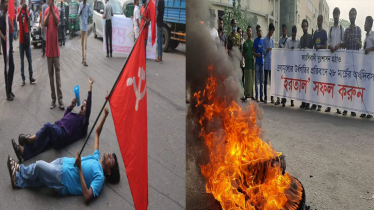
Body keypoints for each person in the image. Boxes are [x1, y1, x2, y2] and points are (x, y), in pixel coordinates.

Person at [7, 107, 120, 204]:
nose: (109, 155)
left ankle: (20, 171)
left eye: (111, 160)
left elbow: (87, 196)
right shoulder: (96, 158)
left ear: (109, 171)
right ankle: (18, 181)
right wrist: (105, 115)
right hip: (62, 164)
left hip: (63, 179)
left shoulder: (100, 177)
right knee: (41, 178)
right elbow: (97, 133)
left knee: (39, 166)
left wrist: (80, 168)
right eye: (111, 155)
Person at [11, 77, 94, 163]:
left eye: (85, 105)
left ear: (87, 110)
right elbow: (64, 118)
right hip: (57, 129)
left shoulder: (83, 124)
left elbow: (88, 109)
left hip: (62, 136)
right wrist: (71, 106)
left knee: (47, 126)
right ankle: (23, 152)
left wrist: (90, 86)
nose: (83, 105)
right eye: (83, 104)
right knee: (43, 141)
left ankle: (30, 140)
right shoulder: (75, 115)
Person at [45, 0, 64, 110]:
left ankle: (60, 99)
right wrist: (48, 12)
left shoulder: (56, 10)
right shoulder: (46, 10)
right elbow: (45, 24)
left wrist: (52, 10)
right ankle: (53, 99)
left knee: (57, 75)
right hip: (48, 50)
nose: (50, 1)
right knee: (51, 76)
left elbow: (57, 22)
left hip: (56, 51)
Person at [342, 8, 361, 117]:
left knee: (353, 86)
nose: (352, 16)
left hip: (356, 63)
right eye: (351, 14)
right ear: (349, 16)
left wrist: (358, 42)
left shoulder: (358, 30)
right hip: (347, 62)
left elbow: (361, 46)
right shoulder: (346, 31)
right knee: (346, 85)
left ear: (356, 15)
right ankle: (345, 108)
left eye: (354, 14)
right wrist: (348, 41)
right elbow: (344, 45)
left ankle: (353, 108)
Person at [325, 7, 345, 114]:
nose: (336, 16)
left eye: (337, 14)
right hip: (331, 60)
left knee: (337, 83)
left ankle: (337, 106)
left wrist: (338, 45)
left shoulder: (342, 29)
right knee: (330, 83)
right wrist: (330, 46)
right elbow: (328, 42)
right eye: (334, 14)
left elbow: (343, 42)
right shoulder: (331, 29)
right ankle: (328, 105)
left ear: (339, 15)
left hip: (339, 61)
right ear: (333, 16)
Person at [310, 14, 327, 112]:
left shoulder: (324, 33)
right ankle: (314, 103)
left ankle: (320, 103)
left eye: (320, 20)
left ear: (322, 21)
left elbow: (326, 46)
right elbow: (312, 45)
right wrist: (312, 36)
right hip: (315, 61)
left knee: (320, 83)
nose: (319, 21)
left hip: (322, 61)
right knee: (314, 82)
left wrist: (320, 47)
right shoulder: (315, 33)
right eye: (318, 20)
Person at [17, 0, 35, 86]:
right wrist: (21, 9)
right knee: (22, 61)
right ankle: (23, 79)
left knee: (29, 59)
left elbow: (28, 19)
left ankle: (31, 77)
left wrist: (26, 12)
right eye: (22, 0)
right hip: (21, 39)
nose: (23, 1)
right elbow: (17, 18)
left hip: (27, 38)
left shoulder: (27, 9)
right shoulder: (18, 9)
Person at [0, 0, 15, 101]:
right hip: (5, 46)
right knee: (8, 68)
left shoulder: (6, 16)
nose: (6, 4)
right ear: (2, 4)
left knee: (12, 67)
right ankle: (7, 92)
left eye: (7, 2)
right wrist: (3, 37)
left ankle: (9, 88)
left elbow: (11, 28)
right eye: (5, 2)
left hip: (10, 46)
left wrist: (9, 20)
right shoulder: (1, 17)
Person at [282, 26, 300, 107]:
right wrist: (290, 50)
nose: (293, 36)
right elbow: (285, 51)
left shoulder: (298, 41)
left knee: (293, 82)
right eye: (292, 35)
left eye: (294, 35)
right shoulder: (288, 41)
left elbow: (300, 52)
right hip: (288, 65)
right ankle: (284, 99)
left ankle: (292, 100)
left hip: (295, 65)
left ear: (296, 33)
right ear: (291, 33)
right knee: (287, 82)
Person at [361, 16, 374, 118]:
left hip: (371, 66)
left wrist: (369, 50)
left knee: (370, 90)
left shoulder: (373, 35)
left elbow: (370, 48)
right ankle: (364, 110)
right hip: (365, 66)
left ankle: (369, 111)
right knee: (365, 89)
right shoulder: (366, 36)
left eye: (365, 23)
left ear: (370, 24)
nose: (364, 25)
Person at [299, 19, 313, 110]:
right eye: (303, 26)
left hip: (309, 64)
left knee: (308, 83)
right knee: (303, 83)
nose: (304, 28)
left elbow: (312, 48)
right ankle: (303, 102)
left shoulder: (310, 37)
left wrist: (307, 48)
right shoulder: (301, 38)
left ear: (307, 27)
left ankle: (307, 103)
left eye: (306, 26)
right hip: (303, 64)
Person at [262, 23, 275, 104]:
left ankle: (272, 97)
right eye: (272, 31)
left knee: (272, 82)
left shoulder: (272, 41)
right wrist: (267, 49)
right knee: (265, 81)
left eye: (273, 32)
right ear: (269, 30)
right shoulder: (264, 40)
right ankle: (265, 97)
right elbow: (263, 52)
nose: (272, 33)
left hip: (271, 64)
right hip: (266, 64)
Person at [78, 0, 92, 66]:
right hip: (81, 27)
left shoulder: (88, 6)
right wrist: (82, 8)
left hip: (85, 27)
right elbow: (78, 14)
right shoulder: (80, 5)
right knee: (82, 44)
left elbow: (91, 13)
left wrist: (88, 16)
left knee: (85, 45)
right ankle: (82, 57)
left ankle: (85, 60)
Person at [242, 26, 254, 100]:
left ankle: (252, 95)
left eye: (250, 31)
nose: (249, 32)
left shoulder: (253, 42)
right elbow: (243, 53)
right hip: (246, 64)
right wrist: (246, 57)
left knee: (251, 80)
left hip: (252, 64)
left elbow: (255, 51)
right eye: (248, 31)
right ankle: (246, 95)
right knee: (247, 80)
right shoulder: (245, 42)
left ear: (251, 33)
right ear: (247, 32)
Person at [253, 24, 264, 103]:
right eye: (259, 31)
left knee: (261, 82)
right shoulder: (255, 41)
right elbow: (253, 52)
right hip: (257, 63)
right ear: (257, 32)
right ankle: (256, 97)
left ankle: (261, 97)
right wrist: (257, 55)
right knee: (256, 81)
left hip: (262, 63)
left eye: (260, 31)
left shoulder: (263, 40)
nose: (260, 32)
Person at [279, 24, 288, 106]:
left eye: (285, 30)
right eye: (283, 30)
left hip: (287, 63)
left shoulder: (288, 40)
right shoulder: (280, 39)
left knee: (286, 82)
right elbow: (278, 50)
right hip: (281, 63)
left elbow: (287, 50)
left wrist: (284, 48)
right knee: (282, 81)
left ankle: (285, 99)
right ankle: (282, 98)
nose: (284, 31)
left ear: (286, 30)